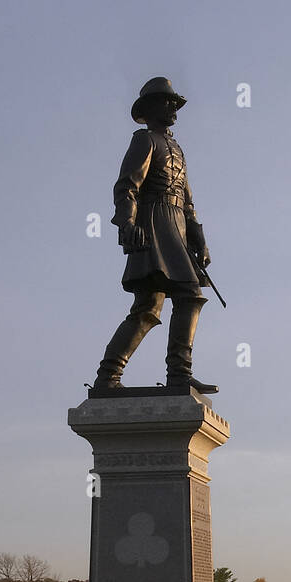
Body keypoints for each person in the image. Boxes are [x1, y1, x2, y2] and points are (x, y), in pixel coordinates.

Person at [87, 77, 217, 396]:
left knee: (151, 305)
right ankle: (171, 375)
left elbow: (187, 200)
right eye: (166, 102)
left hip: (177, 227)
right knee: (177, 297)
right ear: (151, 108)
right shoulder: (145, 141)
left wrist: (197, 237)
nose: (172, 108)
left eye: (174, 103)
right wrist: (127, 224)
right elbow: (127, 186)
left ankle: (122, 376)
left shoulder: (177, 149)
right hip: (153, 222)